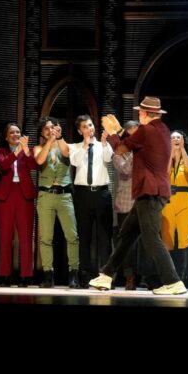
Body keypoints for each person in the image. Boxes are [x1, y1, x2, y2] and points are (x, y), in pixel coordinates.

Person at [89, 96, 187, 295]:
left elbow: (120, 149)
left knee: (151, 239)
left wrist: (113, 133)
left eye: (140, 112)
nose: (139, 114)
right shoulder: (161, 129)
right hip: (151, 190)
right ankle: (106, 275)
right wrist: (120, 131)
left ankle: (174, 282)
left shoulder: (147, 130)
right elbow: (135, 142)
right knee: (127, 235)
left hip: (149, 191)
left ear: (144, 113)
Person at [34, 116, 79, 288]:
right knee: (46, 237)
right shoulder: (38, 148)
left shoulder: (64, 144)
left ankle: (73, 273)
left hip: (64, 195)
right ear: (41, 132)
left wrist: (58, 138)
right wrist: (49, 141)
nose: (49, 130)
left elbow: (67, 154)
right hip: (46, 195)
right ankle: (48, 274)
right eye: (46, 128)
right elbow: (39, 160)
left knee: (72, 236)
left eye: (52, 127)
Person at [70, 115, 113, 286]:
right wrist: (85, 145)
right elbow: (75, 161)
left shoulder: (103, 145)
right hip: (83, 194)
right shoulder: (76, 147)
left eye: (90, 125)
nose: (89, 128)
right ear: (80, 131)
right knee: (84, 235)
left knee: (104, 236)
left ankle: (106, 275)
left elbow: (109, 158)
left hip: (102, 194)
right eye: (85, 127)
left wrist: (104, 142)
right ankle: (84, 274)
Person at [0, 123, 38, 287]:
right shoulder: (0, 151)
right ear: (6, 137)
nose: (15, 135)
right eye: (12, 132)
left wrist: (25, 151)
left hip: (24, 195)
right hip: (6, 195)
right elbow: (4, 165)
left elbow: (34, 166)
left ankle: (26, 275)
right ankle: (4, 275)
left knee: (26, 237)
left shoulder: (27, 150)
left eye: (18, 132)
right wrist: (16, 152)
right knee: (5, 237)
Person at [161, 130, 188, 281]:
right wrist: (171, 153)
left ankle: (184, 277)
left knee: (184, 238)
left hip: (184, 200)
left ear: (183, 140)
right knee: (167, 238)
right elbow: (164, 173)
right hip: (168, 201)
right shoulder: (164, 159)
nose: (175, 139)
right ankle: (169, 276)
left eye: (178, 137)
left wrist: (181, 150)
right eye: (173, 138)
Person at [111, 120, 140, 289]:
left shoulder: (145, 150)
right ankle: (129, 276)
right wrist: (135, 151)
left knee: (144, 241)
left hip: (143, 199)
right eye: (131, 135)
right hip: (125, 201)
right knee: (126, 241)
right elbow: (125, 169)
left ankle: (147, 276)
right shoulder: (118, 153)